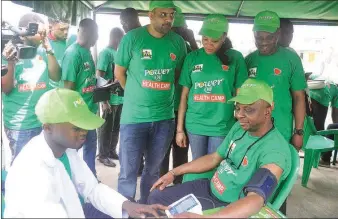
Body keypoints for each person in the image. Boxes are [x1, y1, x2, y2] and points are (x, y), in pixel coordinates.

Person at [4, 88, 168, 218]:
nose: (84, 132)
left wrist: (129, 207)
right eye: (76, 127)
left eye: (84, 125)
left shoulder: (65, 151)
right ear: (48, 127)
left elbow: (91, 189)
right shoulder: (32, 171)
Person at [147, 78, 291, 218]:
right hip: (209, 187)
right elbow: (215, 157)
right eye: (238, 108)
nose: (239, 115)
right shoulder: (240, 128)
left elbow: (256, 199)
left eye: (249, 109)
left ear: (268, 109)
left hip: (227, 205)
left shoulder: (275, 151)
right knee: (156, 197)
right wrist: (173, 172)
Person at [114, 0, 187, 204]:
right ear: (151, 15)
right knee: (128, 172)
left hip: (164, 118)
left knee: (153, 171)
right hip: (134, 118)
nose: (168, 19)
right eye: (163, 15)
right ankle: (126, 211)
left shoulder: (178, 43)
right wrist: (137, 94)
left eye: (171, 15)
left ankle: (147, 207)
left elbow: (178, 75)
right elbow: (119, 72)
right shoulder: (133, 38)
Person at [176, 14, 248, 160]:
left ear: (224, 37)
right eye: (205, 39)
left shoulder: (235, 58)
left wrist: (240, 121)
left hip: (221, 125)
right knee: (198, 164)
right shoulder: (192, 58)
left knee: (215, 166)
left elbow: (240, 94)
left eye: (214, 41)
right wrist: (179, 129)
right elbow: (184, 95)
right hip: (195, 123)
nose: (208, 44)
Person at [1, 13, 61, 161]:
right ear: (25, 33)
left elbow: (56, 76)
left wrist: (49, 49)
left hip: (42, 122)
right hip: (21, 126)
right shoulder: (9, 52)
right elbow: (6, 88)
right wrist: (11, 63)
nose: (43, 36)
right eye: (40, 33)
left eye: (44, 33)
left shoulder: (43, 50)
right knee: (24, 172)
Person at [245, 11, 307, 152]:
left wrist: (298, 132)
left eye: (269, 37)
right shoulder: (248, 60)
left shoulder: (291, 59)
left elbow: (299, 97)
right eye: (259, 38)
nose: (264, 42)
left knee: (276, 171)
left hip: (280, 130)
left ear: (278, 34)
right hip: (251, 130)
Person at [160, 10, 198, 184]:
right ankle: (161, 184)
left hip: (184, 109)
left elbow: (203, 61)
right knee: (162, 151)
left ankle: (178, 185)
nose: (177, 35)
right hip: (164, 109)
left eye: (181, 31)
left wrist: (191, 41)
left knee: (181, 150)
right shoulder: (163, 46)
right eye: (175, 31)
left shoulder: (191, 51)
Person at [61, 18, 98, 176]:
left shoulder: (87, 52)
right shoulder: (73, 53)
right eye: (85, 33)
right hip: (77, 116)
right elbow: (68, 90)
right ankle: (71, 182)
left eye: (92, 35)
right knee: (71, 153)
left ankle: (90, 180)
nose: (90, 38)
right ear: (79, 32)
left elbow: (88, 82)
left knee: (90, 148)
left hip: (89, 113)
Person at [119, 7, 145, 176]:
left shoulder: (136, 38)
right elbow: (119, 73)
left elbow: (120, 73)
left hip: (140, 105)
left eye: (124, 22)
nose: (124, 26)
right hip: (134, 105)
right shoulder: (132, 38)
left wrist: (133, 94)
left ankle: (136, 168)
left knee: (131, 148)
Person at [96, 27, 124, 168]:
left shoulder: (117, 53)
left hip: (120, 98)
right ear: (116, 38)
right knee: (106, 127)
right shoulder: (106, 53)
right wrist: (104, 100)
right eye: (121, 38)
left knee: (116, 127)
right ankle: (103, 155)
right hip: (109, 98)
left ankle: (112, 151)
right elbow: (99, 76)